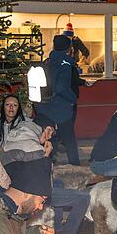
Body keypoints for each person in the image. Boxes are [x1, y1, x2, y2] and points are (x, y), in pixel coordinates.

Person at [34, 35, 81, 165]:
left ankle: (46, 166)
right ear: (69, 48)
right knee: (69, 140)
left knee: (49, 138)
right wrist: (72, 98)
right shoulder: (65, 64)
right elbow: (61, 88)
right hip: (60, 108)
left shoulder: (48, 61)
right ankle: (75, 167)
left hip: (44, 107)